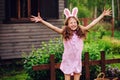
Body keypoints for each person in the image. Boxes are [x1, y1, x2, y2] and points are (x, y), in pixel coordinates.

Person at [30, 7, 111, 80]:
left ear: (77, 23)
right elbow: (53, 27)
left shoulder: (81, 31)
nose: (73, 24)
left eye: (75, 22)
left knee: (77, 76)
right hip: (67, 60)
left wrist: (102, 15)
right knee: (67, 78)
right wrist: (42, 21)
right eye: (71, 23)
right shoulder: (64, 32)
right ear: (67, 24)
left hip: (77, 60)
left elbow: (92, 24)